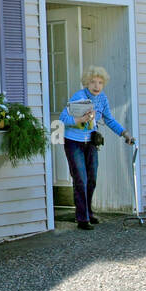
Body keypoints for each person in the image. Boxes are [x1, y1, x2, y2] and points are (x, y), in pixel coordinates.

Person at [59, 66, 133, 230]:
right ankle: (82, 219)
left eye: (100, 82)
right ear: (87, 83)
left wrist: (125, 133)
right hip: (74, 142)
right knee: (81, 179)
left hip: (91, 142)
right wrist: (79, 119)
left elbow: (109, 120)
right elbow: (63, 118)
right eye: (93, 82)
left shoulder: (102, 99)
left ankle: (89, 212)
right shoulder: (79, 96)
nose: (96, 86)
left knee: (91, 179)